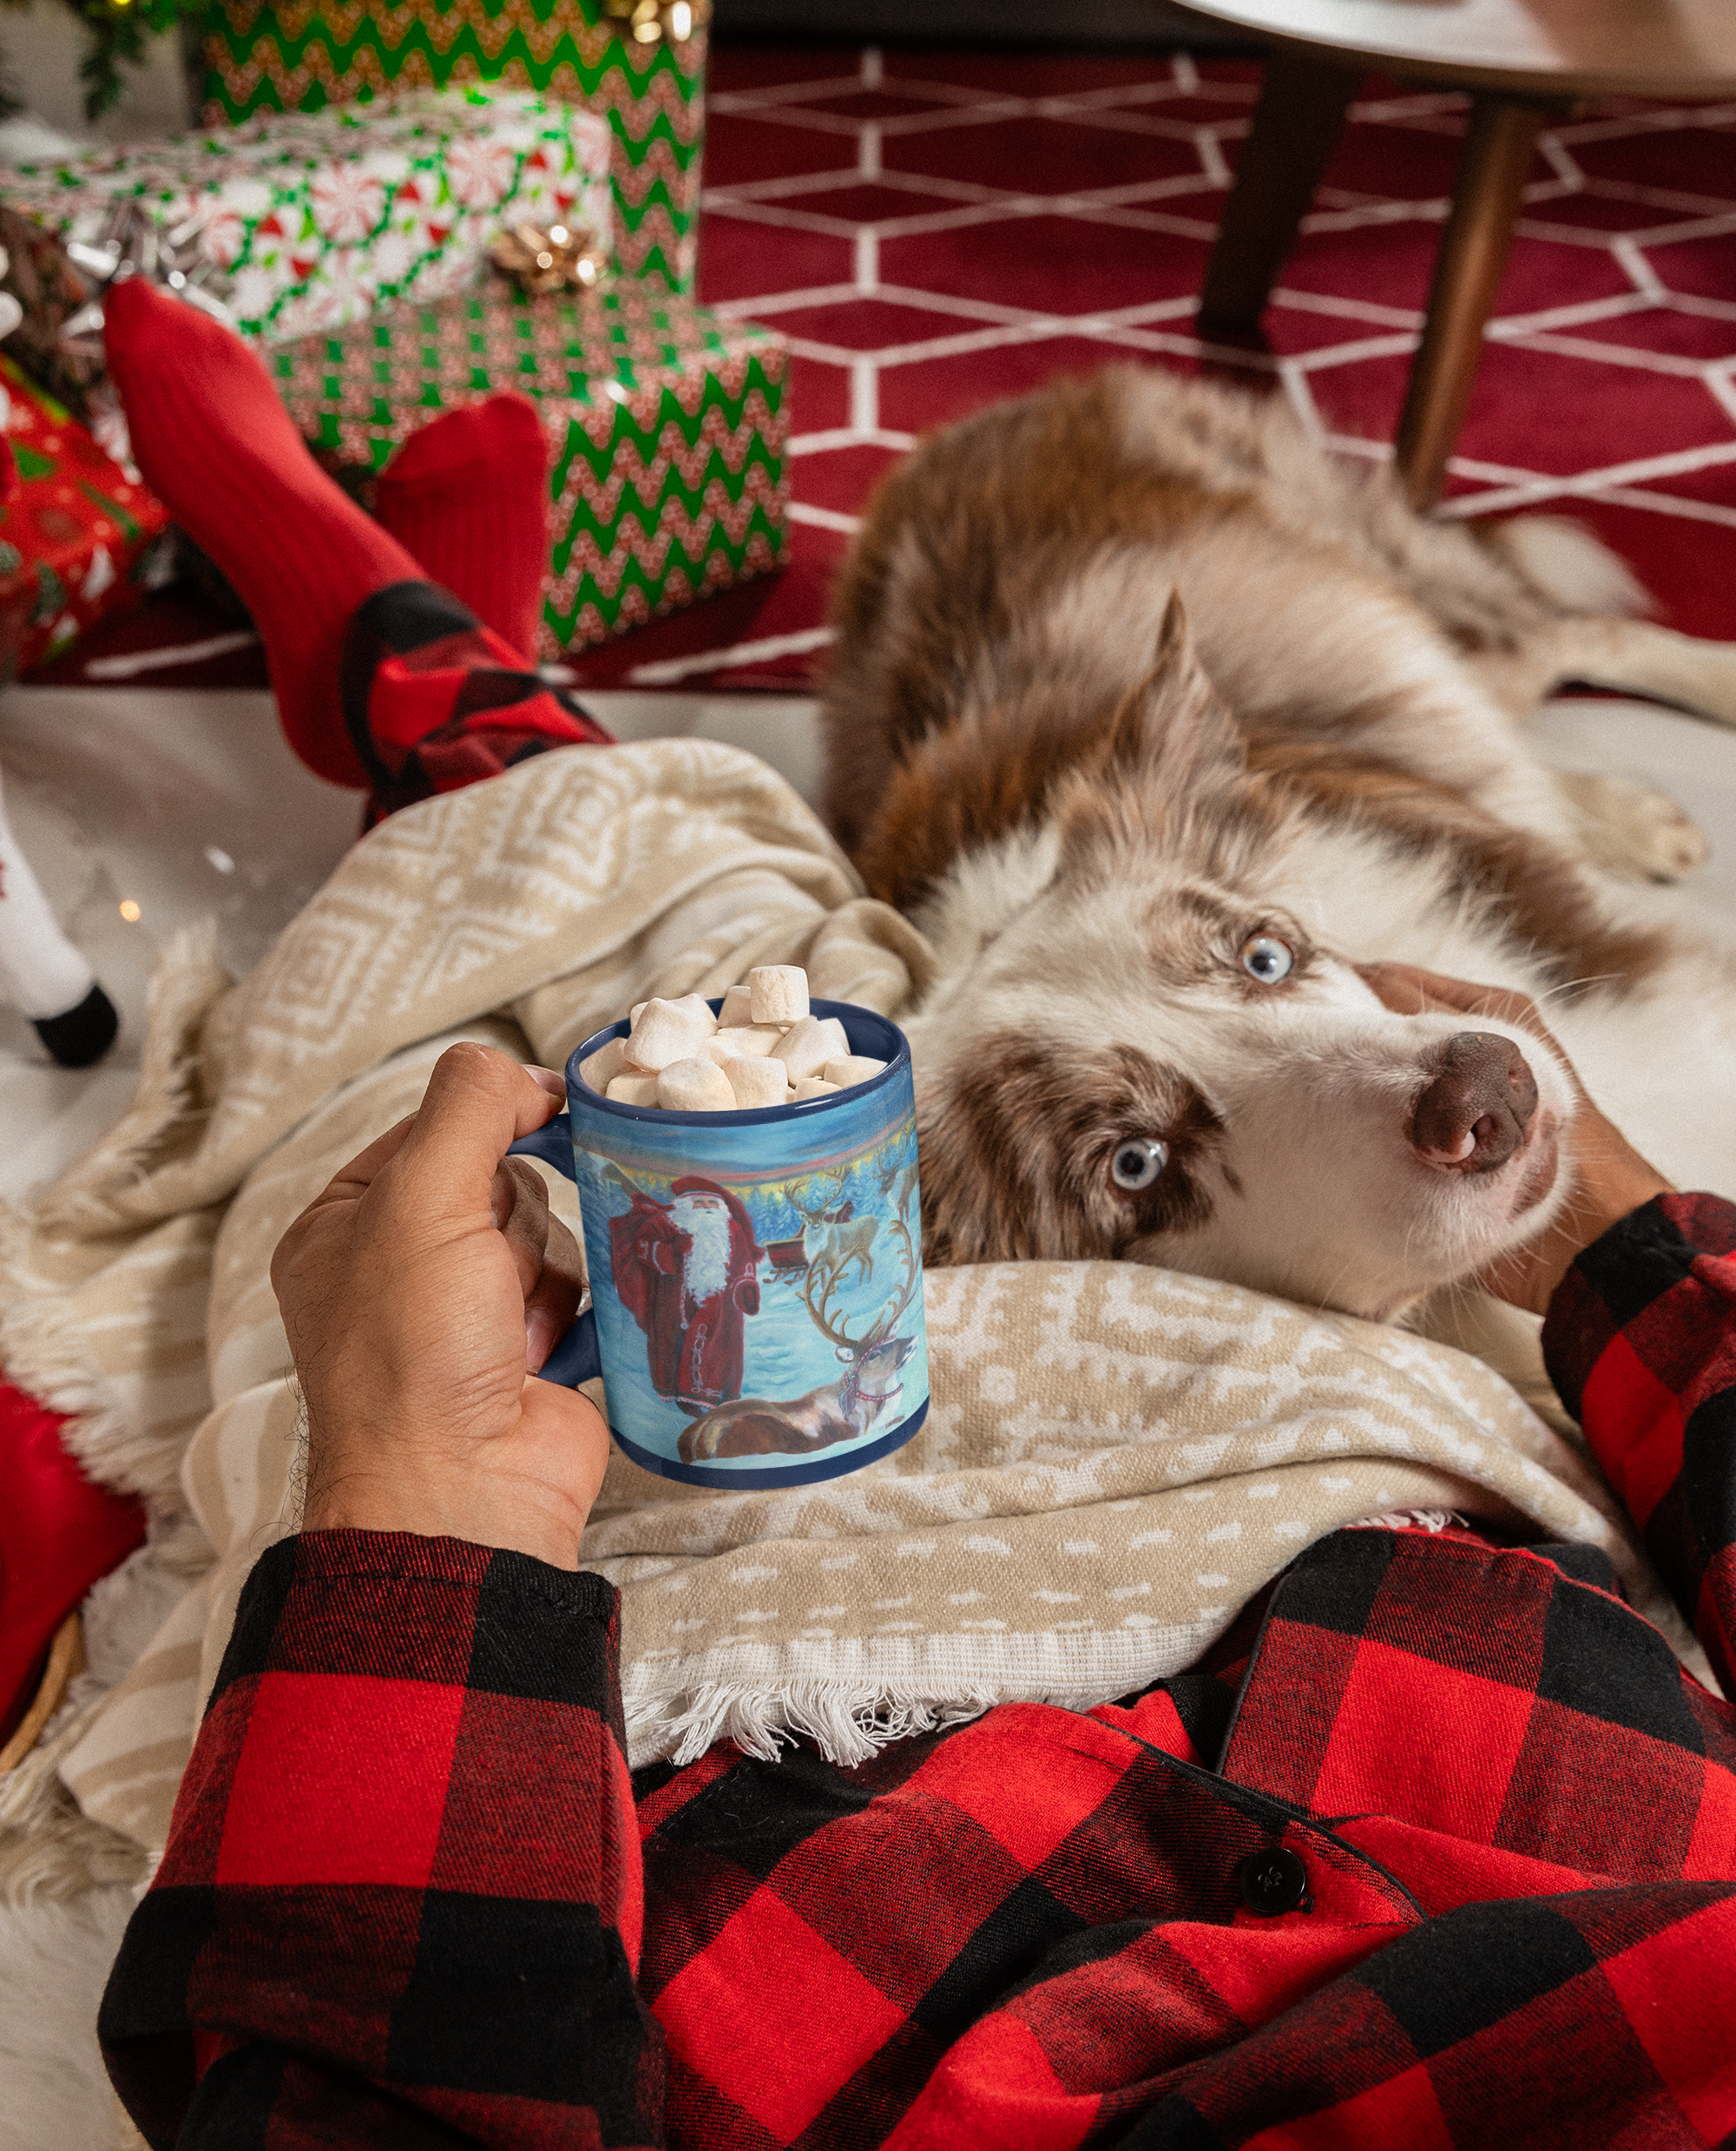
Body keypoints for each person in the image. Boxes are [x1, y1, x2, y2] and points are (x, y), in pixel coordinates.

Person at [91, 286, 1736, 2145]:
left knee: (550, 1045)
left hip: (693, 1729)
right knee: (715, 996)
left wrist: (414, 1507)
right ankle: (427, 656)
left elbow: (332, 2092)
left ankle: (414, 655)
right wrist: (1630, 1247)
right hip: (1402, 1524)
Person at [611, 1177, 762, 1409]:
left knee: (714, 1350)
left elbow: (744, 1261)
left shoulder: (732, 1229)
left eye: (712, 1203)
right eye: (699, 1202)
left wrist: (746, 1288)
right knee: (673, 1347)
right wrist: (672, 1252)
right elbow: (643, 1247)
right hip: (672, 1303)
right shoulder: (667, 1222)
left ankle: (707, 1396)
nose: (707, 1208)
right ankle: (678, 1396)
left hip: (721, 1307)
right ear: (684, 1204)